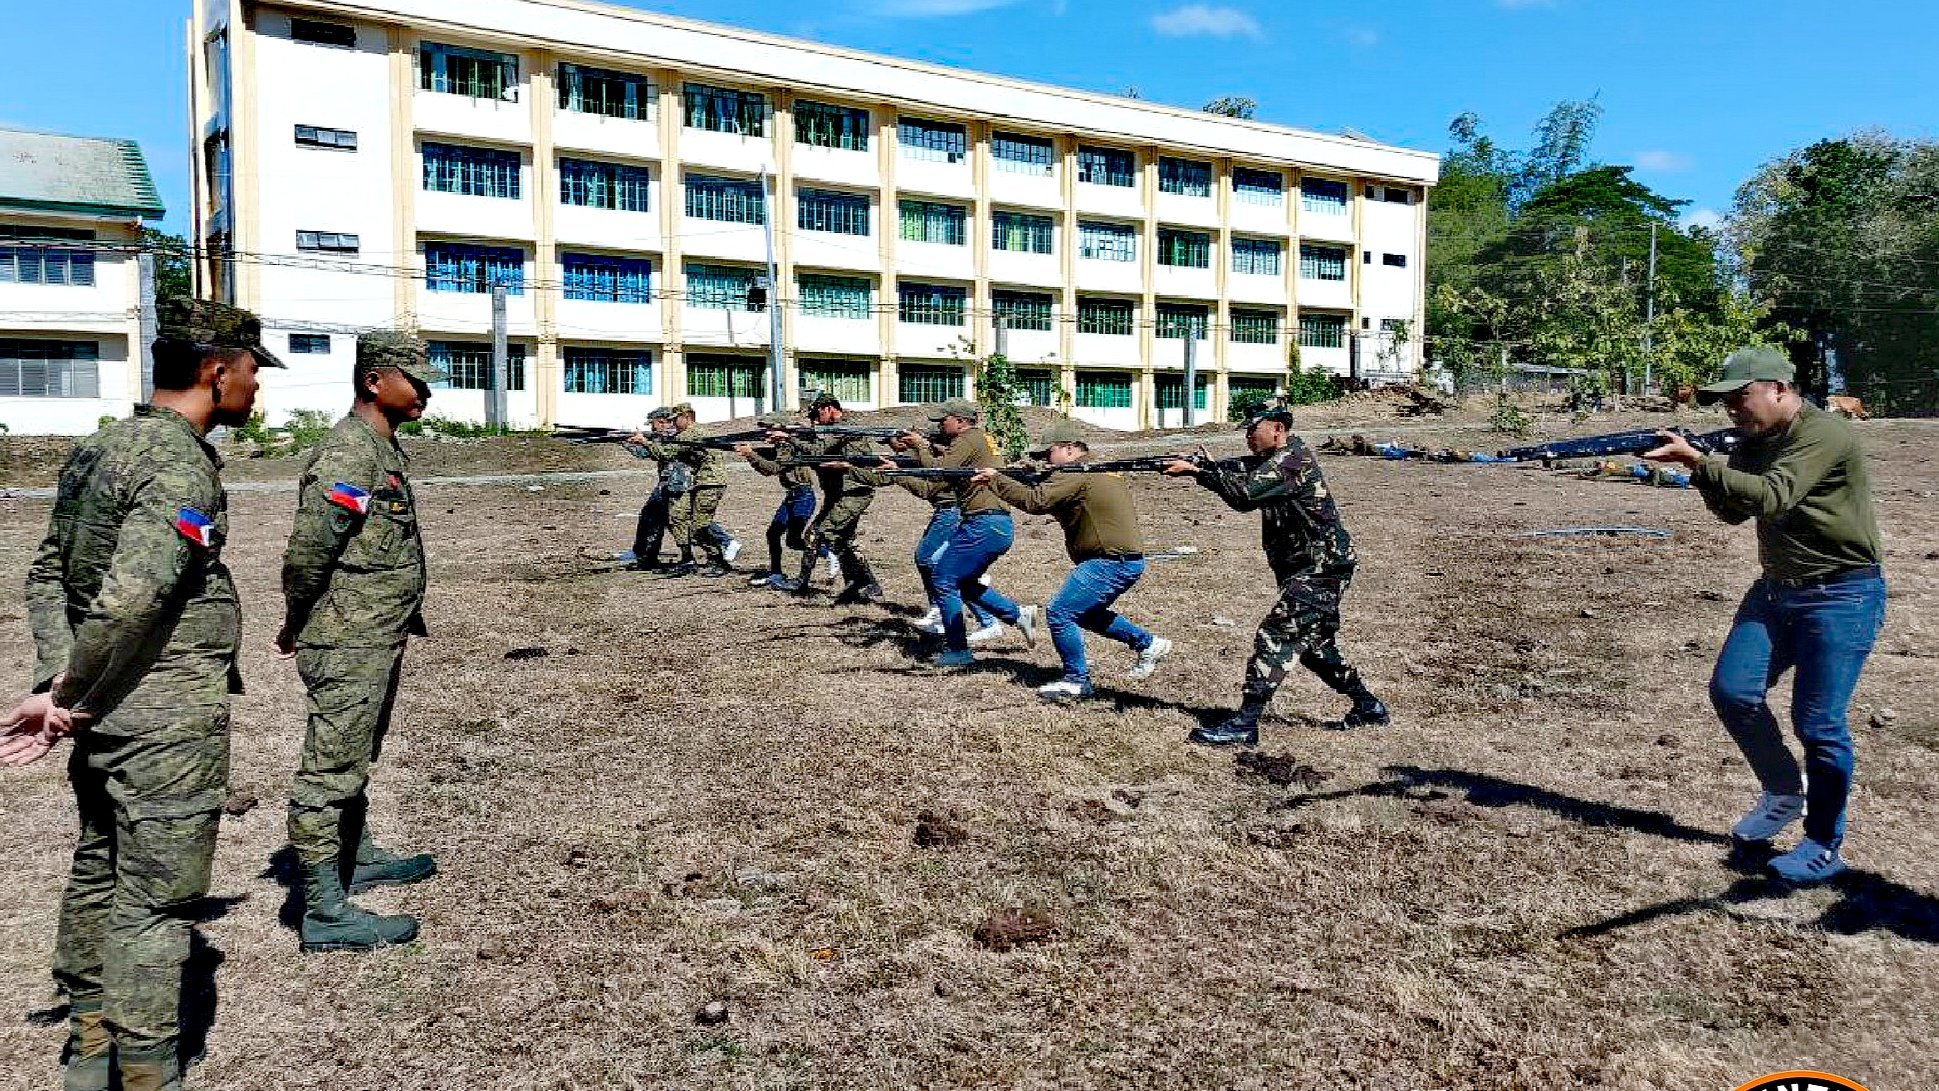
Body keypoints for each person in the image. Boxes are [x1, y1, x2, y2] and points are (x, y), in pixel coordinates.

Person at [2, 299, 282, 1091]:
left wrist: (59, 683)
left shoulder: (100, 448)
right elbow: (136, 595)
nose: (256, 386)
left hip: (102, 714)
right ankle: (146, 1064)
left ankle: (90, 1045)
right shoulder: (178, 461)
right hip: (162, 716)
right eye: (253, 369)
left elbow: (48, 572)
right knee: (157, 897)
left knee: (100, 865)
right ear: (213, 370)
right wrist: (68, 687)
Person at [1645, 346, 1886, 883]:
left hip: (1841, 595)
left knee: (1819, 725)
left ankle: (1824, 843)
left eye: (1740, 395)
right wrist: (1704, 471)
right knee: (1733, 691)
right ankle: (1782, 790)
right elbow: (1735, 509)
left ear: (1778, 388)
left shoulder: (1826, 434)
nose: (1732, 407)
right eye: (1725, 400)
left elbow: (1773, 497)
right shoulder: (1755, 440)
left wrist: (1697, 463)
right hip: (1777, 591)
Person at [275, 331, 445, 953]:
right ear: (374, 381)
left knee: (358, 750)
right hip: (347, 636)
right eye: (415, 378)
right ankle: (323, 907)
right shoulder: (349, 455)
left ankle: (357, 852)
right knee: (331, 766)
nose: (426, 390)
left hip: (375, 631)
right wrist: (298, 617)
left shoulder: (383, 449)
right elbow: (310, 551)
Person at [1163, 398, 1387, 746]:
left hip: (1322, 569)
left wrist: (1199, 474)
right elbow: (1242, 467)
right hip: (1311, 568)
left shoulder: (1290, 462)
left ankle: (1245, 723)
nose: (1249, 436)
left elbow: (1244, 496)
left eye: (1254, 429)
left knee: (1277, 635)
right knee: (1314, 646)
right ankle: (1368, 706)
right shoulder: (1275, 459)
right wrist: (1207, 466)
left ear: (1277, 428)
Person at [973, 420, 1170, 700]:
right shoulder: (1095, 468)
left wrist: (996, 479)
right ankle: (1148, 644)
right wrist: (1020, 477)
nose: (1044, 460)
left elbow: (1036, 501)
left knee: (1060, 612)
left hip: (1110, 560)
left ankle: (1076, 681)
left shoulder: (1076, 471)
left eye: (1047, 454)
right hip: (1120, 558)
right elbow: (1048, 490)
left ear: (1069, 449)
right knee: (1085, 614)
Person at [896, 398, 1036, 667]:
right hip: (990, 523)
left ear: (960, 421)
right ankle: (1018, 616)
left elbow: (940, 473)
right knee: (963, 582)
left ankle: (958, 649)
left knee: (943, 578)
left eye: (944, 419)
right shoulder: (978, 438)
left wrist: (920, 447)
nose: (939, 424)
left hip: (984, 523)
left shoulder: (966, 439)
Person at [772, 395, 882, 604]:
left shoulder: (844, 427)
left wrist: (789, 437)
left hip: (854, 492)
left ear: (829, 408)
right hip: (840, 493)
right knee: (842, 540)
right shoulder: (832, 430)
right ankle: (862, 584)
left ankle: (802, 582)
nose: (815, 420)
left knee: (819, 534)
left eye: (817, 413)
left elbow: (819, 451)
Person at [618, 410, 738, 572]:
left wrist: (644, 442)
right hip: (668, 483)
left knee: (688, 519)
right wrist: (626, 442)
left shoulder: (680, 437)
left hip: (679, 483)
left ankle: (723, 544)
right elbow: (649, 453)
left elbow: (663, 453)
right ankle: (648, 555)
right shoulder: (665, 437)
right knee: (659, 517)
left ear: (661, 422)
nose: (653, 428)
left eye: (654, 424)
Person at [735, 413, 823, 590]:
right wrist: (751, 455)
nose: (766, 433)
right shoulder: (782, 445)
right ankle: (775, 572)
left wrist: (751, 454)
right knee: (773, 533)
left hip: (803, 496)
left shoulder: (788, 446)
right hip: (793, 495)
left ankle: (829, 553)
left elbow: (774, 468)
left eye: (770, 429)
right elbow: (766, 468)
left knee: (794, 540)